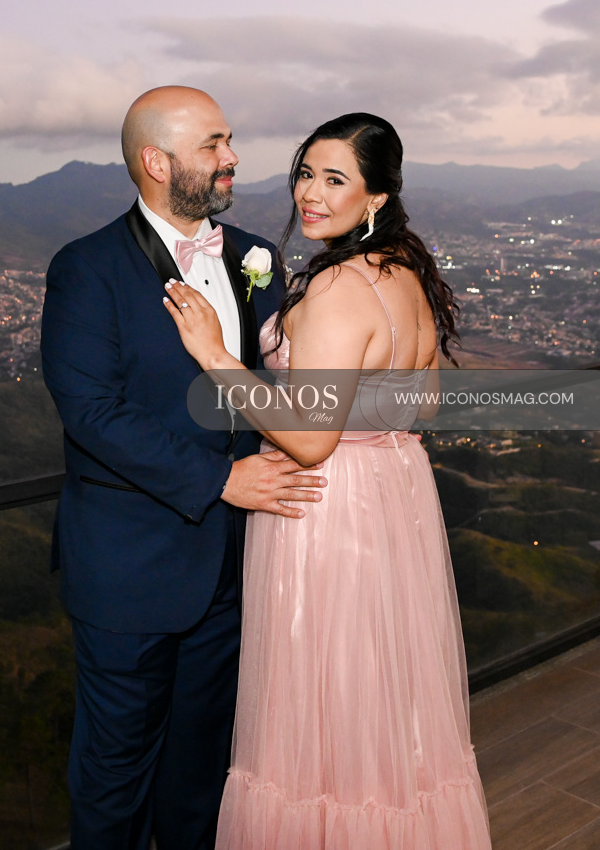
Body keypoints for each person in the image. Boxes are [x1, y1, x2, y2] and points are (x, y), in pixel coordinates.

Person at [164, 113, 492, 848]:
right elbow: (424, 404)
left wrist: (215, 355)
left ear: (375, 196)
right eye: (305, 173)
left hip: (326, 511)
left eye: (334, 179)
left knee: (321, 717)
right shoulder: (404, 273)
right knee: (383, 716)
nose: (310, 193)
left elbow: (311, 441)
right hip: (392, 500)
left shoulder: (340, 285)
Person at [40, 86, 328, 850]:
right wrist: (220, 480)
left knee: (201, 771)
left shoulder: (253, 256)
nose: (232, 157)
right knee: (114, 779)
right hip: (129, 572)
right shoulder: (86, 268)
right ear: (156, 162)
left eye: (228, 139)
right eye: (212, 144)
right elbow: (92, 412)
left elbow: (265, 386)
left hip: (232, 566)